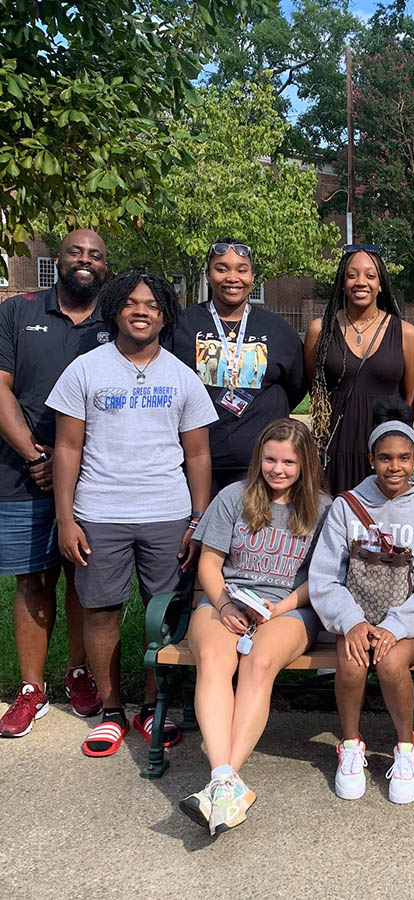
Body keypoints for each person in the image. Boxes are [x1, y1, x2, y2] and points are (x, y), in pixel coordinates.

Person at [47, 271, 217, 758]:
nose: (142, 312)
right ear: (116, 309)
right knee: (100, 612)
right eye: (132, 304)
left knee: (160, 616)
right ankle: (110, 709)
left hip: (167, 512)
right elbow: (66, 446)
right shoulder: (85, 370)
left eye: (153, 305)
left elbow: (198, 455)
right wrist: (66, 518)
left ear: (165, 315)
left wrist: (196, 519)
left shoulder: (181, 376)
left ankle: (151, 707)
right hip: (99, 511)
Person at [179, 418, 330, 834]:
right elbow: (209, 564)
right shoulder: (234, 497)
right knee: (212, 659)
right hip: (228, 600)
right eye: (270, 459)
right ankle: (224, 780)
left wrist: (277, 609)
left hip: (290, 610)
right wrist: (226, 604)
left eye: (288, 462)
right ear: (258, 458)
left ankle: (223, 781)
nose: (278, 470)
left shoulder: (322, 509)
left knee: (258, 663)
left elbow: (319, 581)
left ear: (305, 466)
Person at [309, 397, 414, 804]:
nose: (395, 467)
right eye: (385, 458)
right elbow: (325, 577)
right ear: (371, 459)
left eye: (405, 458)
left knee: (391, 661)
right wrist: (352, 622)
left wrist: (394, 627)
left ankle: (407, 747)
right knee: (354, 661)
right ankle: (351, 744)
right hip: (358, 615)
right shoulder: (347, 506)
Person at [0, 229, 109, 738]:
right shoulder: (18, 312)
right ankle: (31, 688)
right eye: (75, 253)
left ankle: (79, 672)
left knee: (82, 576)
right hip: (24, 470)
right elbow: (0, 388)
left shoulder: (115, 318)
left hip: (95, 472)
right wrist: (33, 453)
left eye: (95, 255)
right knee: (33, 577)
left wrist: (70, 463)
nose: (85, 261)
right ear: (58, 261)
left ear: (104, 267)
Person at [172, 238, 307, 497]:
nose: (232, 277)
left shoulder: (279, 330)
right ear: (208, 274)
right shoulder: (182, 325)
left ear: (252, 277)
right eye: (222, 269)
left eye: (241, 270)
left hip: (261, 466)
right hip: (196, 464)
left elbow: (296, 386)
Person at [305, 244, 414, 495]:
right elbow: (314, 388)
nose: (361, 282)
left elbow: (411, 399)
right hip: (336, 448)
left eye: (370, 275)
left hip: (384, 450)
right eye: (352, 275)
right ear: (342, 282)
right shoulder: (320, 330)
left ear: (381, 284)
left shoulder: (405, 333)